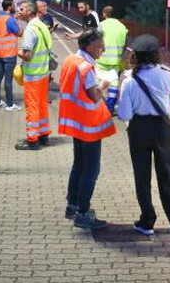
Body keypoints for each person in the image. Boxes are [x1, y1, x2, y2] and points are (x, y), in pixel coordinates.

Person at [118, 34, 170, 236]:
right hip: (162, 129)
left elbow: (124, 114)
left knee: (142, 177)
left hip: (139, 129)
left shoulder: (129, 80)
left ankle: (147, 221)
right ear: (157, 55)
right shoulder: (166, 76)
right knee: (168, 176)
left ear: (135, 57)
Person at [58, 28, 116, 229]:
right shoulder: (86, 68)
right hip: (88, 125)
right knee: (91, 169)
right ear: (89, 47)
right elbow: (94, 96)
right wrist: (106, 83)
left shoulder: (70, 60)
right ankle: (83, 213)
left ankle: (72, 205)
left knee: (78, 165)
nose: (103, 49)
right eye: (100, 46)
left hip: (74, 122)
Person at [15, 1, 53, 150]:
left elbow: (28, 55)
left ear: (29, 11)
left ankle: (32, 140)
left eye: (22, 9)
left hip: (33, 75)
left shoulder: (30, 30)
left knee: (32, 107)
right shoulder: (42, 25)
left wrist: (18, 52)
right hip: (44, 73)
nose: (19, 10)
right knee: (42, 105)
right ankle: (44, 136)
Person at [96, 6, 129, 114]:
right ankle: (110, 108)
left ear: (105, 14)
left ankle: (96, 106)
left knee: (97, 82)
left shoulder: (102, 25)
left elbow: (96, 40)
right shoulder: (123, 27)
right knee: (114, 83)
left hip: (101, 59)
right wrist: (119, 56)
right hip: (115, 60)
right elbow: (125, 45)